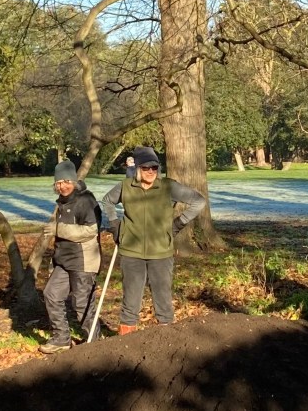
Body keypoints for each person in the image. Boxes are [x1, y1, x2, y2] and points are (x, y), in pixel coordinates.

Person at [101, 146, 206, 334]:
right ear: (138, 168)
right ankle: (126, 343)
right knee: (130, 301)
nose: (150, 172)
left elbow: (198, 201)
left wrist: (178, 224)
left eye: (154, 168)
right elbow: (107, 201)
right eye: (146, 168)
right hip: (131, 251)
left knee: (163, 299)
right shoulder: (126, 187)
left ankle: (166, 341)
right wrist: (115, 225)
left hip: (161, 252)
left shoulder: (168, 186)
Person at [40, 159, 102, 353]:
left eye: (66, 181)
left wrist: (59, 229)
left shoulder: (86, 200)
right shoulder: (62, 202)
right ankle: (61, 339)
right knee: (51, 294)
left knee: (82, 303)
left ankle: (95, 343)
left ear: (74, 181)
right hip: (64, 261)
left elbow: (90, 231)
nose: (62, 186)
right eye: (58, 183)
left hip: (84, 261)